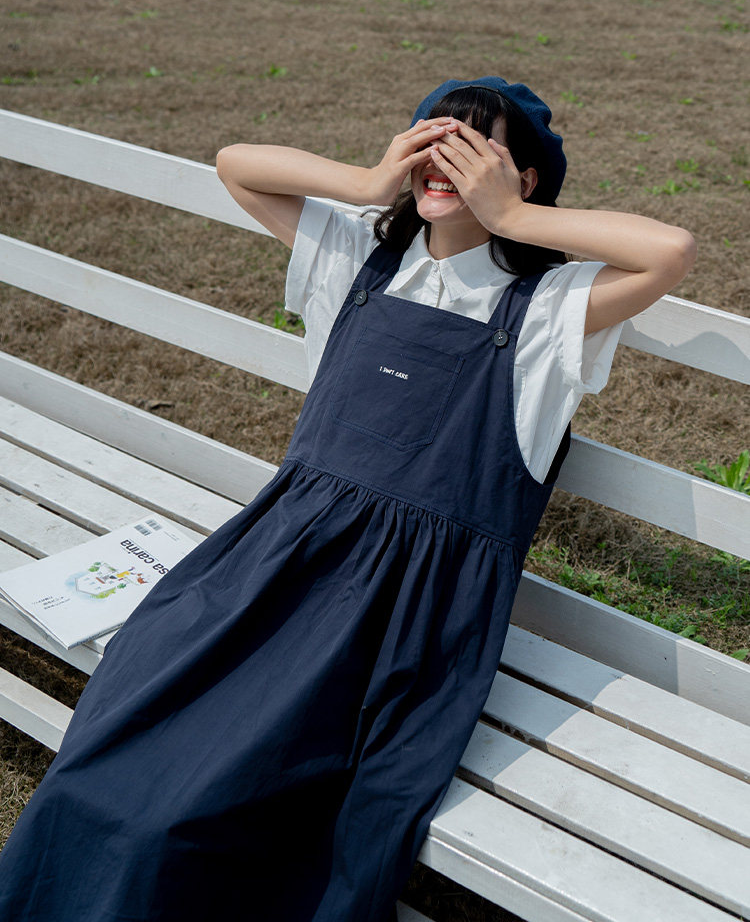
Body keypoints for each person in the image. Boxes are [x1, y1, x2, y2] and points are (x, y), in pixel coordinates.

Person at [0, 77, 696, 922]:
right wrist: (370, 181)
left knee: (212, 815)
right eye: (433, 137)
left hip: (401, 616)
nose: (446, 159)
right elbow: (237, 163)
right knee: (113, 749)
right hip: (270, 569)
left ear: (522, 177)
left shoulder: (547, 310)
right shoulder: (358, 258)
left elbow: (669, 251)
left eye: (474, 147)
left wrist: (513, 217)